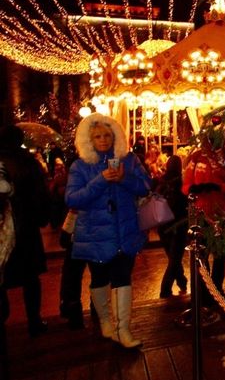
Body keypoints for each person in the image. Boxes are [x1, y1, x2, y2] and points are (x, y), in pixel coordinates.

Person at [65, 113, 150, 348]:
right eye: (97, 136)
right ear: (88, 140)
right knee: (100, 278)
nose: (103, 140)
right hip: (95, 235)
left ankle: (124, 329)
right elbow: (72, 198)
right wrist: (100, 180)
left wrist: (124, 179)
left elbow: (145, 186)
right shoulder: (80, 166)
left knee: (123, 278)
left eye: (107, 135)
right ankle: (105, 322)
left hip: (125, 232)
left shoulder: (129, 160)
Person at [0, 125, 52, 338]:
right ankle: (34, 321)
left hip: (4, 229)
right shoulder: (28, 162)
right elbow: (40, 194)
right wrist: (42, 217)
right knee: (31, 279)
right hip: (26, 228)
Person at [182, 135, 225, 304]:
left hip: (221, 216)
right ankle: (204, 292)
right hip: (201, 215)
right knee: (201, 256)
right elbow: (185, 186)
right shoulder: (196, 157)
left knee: (220, 257)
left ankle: (217, 291)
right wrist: (194, 188)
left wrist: (219, 187)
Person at [156, 155, 188, 298]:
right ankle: (165, 289)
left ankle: (182, 281)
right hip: (178, 224)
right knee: (175, 259)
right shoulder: (182, 182)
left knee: (173, 257)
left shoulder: (160, 181)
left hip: (163, 224)